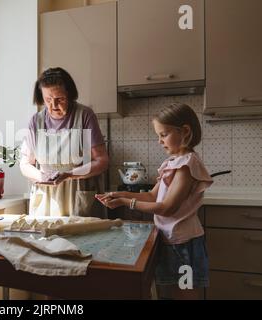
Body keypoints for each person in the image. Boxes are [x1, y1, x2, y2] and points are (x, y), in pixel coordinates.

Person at [96, 103, 213, 300]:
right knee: (170, 292)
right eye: (158, 135)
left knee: (185, 295)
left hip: (184, 244)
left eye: (164, 134)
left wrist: (126, 202)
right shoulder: (172, 162)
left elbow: (166, 208)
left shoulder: (187, 164)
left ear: (185, 131)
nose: (159, 141)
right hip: (169, 240)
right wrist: (120, 195)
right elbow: (152, 196)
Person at [20, 67, 109, 217]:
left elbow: (102, 161)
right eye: (48, 99)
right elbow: (25, 164)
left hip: (78, 195)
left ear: (70, 95)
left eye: (59, 99)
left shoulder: (84, 115)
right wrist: (41, 176)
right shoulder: (36, 121)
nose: (53, 105)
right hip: (46, 198)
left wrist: (69, 174)